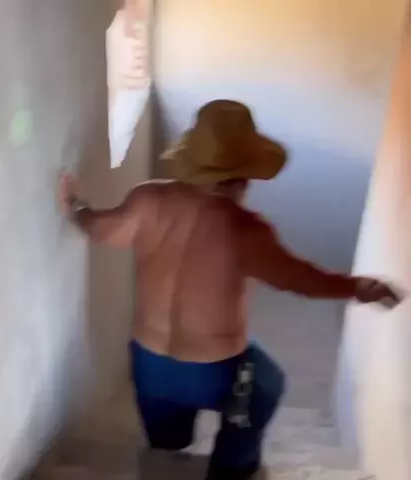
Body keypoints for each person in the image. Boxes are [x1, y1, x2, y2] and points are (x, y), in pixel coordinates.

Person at [58, 100, 402, 480]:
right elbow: (300, 280)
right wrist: (356, 287)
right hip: (213, 371)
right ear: (244, 176)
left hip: (149, 364)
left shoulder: (148, 199)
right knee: (266, 384)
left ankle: (169, 458)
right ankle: (231, 469)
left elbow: (100, 229)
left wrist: (76, 206)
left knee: (167, 447)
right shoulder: (245, 230)